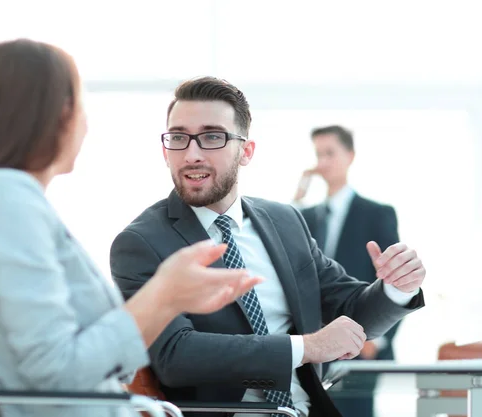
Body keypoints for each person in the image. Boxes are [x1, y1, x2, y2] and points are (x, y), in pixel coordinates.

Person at [0, 39, 261, 417]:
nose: (86, 124)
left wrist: (168, 299)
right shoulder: (6, 197)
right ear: (57, 113)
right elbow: (54, 372)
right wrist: (162, 295)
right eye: (82, 105)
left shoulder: (16, 200)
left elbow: (104, 362)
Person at [110, 76, 426, 417]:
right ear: (164, 150)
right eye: (178, 138)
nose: (192, 154)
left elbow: (349, 310)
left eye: (212, 137)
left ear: (245, 152)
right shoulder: (141, 243)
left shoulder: (284, 221)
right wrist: (306, 348)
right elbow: (176, 356)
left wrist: (395, 288)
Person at [293, 125, 401, 417]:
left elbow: (392, 279)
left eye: (330, 153)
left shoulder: (377, 213)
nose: (323, 162)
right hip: (315, 346)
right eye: (318, 154)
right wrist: (298, 197)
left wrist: (374, 340)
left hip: (360, 348)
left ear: (350, 156)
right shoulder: (303, 217)